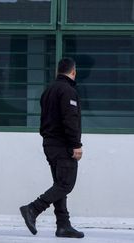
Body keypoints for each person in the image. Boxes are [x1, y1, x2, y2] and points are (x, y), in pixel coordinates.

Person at [20, 57, 84, 238]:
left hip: (49, 144)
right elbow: (70, 120)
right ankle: (33, 209)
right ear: (73, 72)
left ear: (58, 71)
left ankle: (63, 225)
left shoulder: (48, 90)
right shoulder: (68, 91)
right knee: (65, 184)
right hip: (63, 145)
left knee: (59, 184)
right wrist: (75, 144)